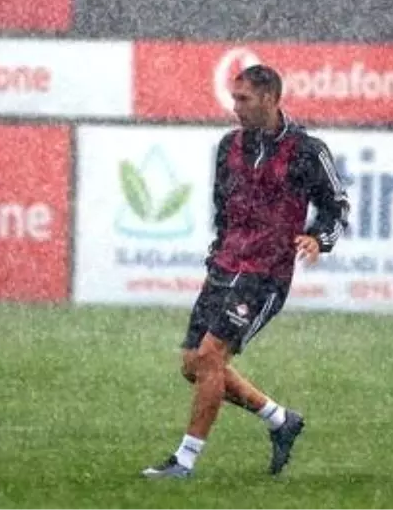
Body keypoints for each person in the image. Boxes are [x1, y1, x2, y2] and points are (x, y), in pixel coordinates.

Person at [141, 64, 349, 479]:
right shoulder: (228, 146)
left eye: (244, 99)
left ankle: (184, 462)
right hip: (225, 265)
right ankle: (279, 419)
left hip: (265, 275)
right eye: (234, 98)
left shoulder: (308, 150)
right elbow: (224, 206)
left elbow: (337, 207)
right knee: (192, 365)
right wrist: (219, 251)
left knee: (210, 356)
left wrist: (318, 239)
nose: (235, 107)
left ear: (271, 98)